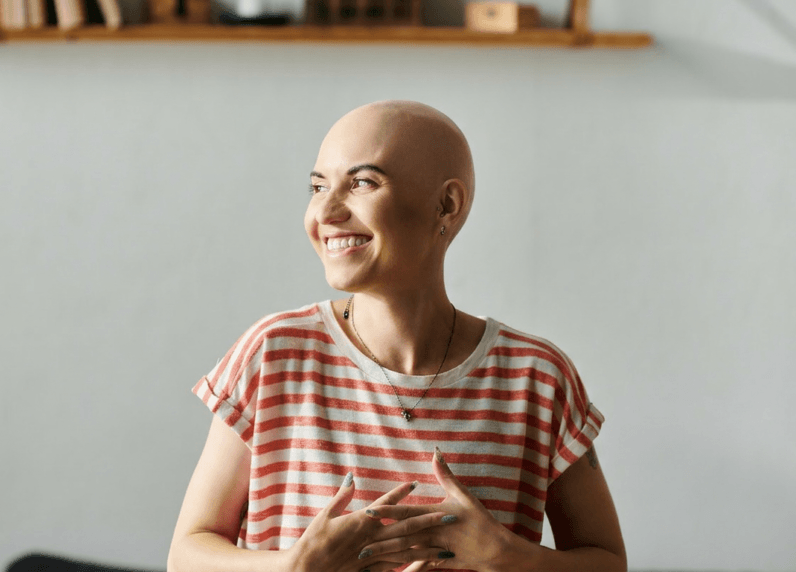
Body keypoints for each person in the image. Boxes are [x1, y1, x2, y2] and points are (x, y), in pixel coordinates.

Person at [167, 101, 626, 572]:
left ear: (446, 205)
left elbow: (608, 563)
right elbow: (185, 555)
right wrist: (294, 566)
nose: (326, 211)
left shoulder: (538, 379)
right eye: (318, 187)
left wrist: (502, 556)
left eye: (362, 183)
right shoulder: (272, 355)